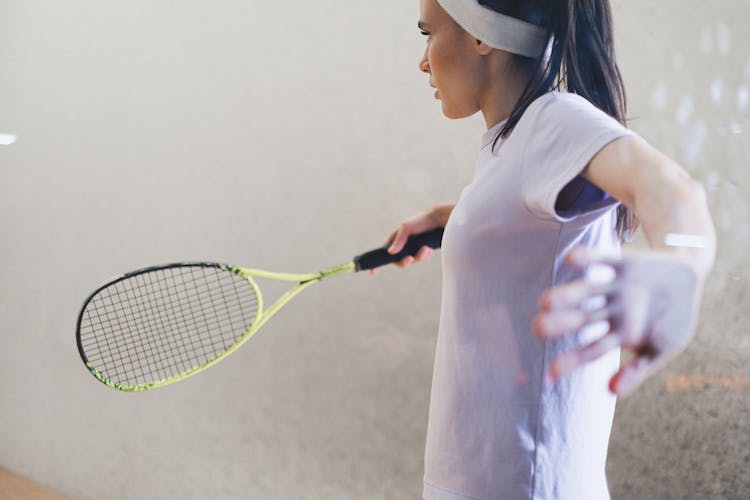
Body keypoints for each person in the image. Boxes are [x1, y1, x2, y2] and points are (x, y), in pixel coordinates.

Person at [370, 1, 717, 499]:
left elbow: (671, 188)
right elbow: (531, 221)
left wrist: (682, 268)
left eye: (428, 34)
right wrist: (459, 220)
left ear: (480, 35)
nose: (423, 61)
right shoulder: (514, 140)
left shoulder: (554, 122)